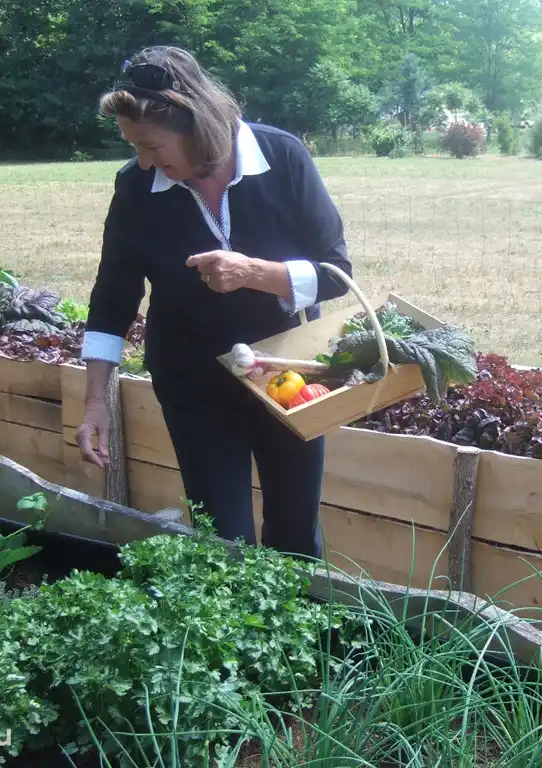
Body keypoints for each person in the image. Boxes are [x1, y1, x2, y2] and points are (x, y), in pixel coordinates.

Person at [75, 45, 352, 560]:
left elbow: (336, 274)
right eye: (134, 146)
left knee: (296, 534)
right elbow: (112, 295)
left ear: (195, 125)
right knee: (224, 541)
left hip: (287, 377)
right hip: (192, 383)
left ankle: (299, 617)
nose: (144, 160)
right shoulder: (136, 186)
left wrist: (254, 273)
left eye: (152, 145)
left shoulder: (282, 157)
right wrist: (95, 402)